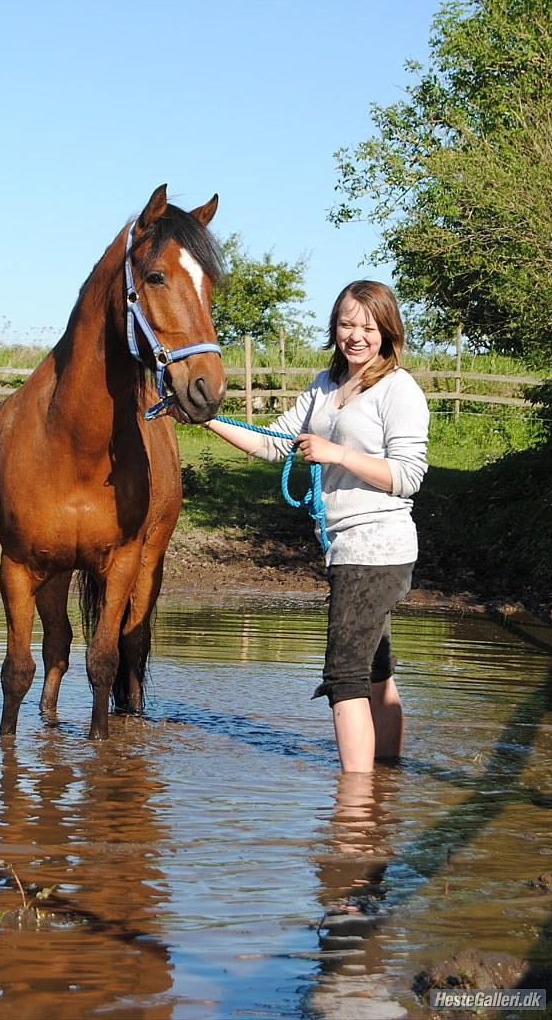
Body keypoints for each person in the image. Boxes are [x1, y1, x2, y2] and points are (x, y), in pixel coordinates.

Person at [200, 280, 429, 773]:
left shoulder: (398, 389)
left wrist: (334, 453)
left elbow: (407, 476)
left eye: (368, 326)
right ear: (335, 327)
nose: (357, 335)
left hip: (376, 549)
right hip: (347, 548)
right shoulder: (325, 387)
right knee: (375, 674)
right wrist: (205, 418)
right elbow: (271, 443)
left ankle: (355, 811)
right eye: (347, 324)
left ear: (387, 330)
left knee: (344, 681)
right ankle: (386, 781)